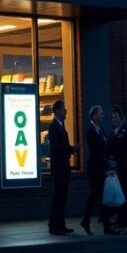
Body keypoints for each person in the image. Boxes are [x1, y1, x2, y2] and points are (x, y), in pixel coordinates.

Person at [80, 105, 117, 235]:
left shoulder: (100, 130)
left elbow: (104, 147)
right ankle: (91, 222)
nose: (103, 115)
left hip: (101, 169)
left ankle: (102, 225)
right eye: (101, 113)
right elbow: (95, 151)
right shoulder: (90, 131)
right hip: (95, 170)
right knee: (97, 196)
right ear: (94, 115)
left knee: (100, 197)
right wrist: (107, 160)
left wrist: (110, 157)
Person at [48, 100, 79, 235]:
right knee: (59, 196)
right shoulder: (54, 127)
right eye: (64, 109)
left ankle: (61, 224)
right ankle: (54, 225)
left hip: (63, 166)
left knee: (62, 196)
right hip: (60, 167)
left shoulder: (60, 125)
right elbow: (58, 147)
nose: (66, 111)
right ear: (58, 111)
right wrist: (72, 149)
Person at [108, 106, 127, 234]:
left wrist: (115, 160)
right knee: (119, 196)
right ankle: (121, 221)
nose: (114, 119)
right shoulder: (112, 133)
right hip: (115, 169)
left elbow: (124, 150)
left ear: (121, 118)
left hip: (123, 168)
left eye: (116, 117)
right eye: (112, 117)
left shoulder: (125, 131)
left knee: (125, 196)